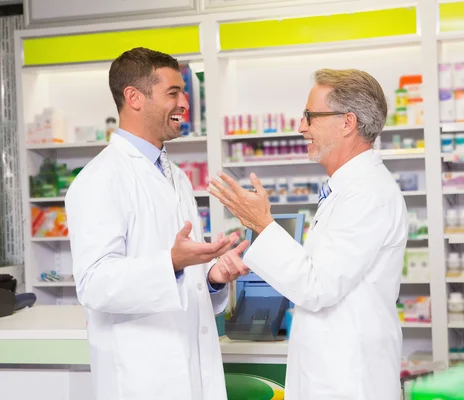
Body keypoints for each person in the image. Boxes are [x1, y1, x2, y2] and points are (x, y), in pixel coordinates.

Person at [209, 68, 408, 399]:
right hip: (334, 372)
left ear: (347, 122)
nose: (301, 127)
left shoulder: (367, 193)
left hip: (350, 381)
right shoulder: (347, 188)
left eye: (310, 116)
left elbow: (318, 286)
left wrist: (262, 224)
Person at [65, 47, 250, 400]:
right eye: (173, 93)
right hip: (142, 377)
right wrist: (171, 262)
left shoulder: (175, 176)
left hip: (190, 366)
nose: (185, 103)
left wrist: (212, 278)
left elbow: (184, 278)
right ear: (134, 98)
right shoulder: (99, 179)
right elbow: (94, 283)